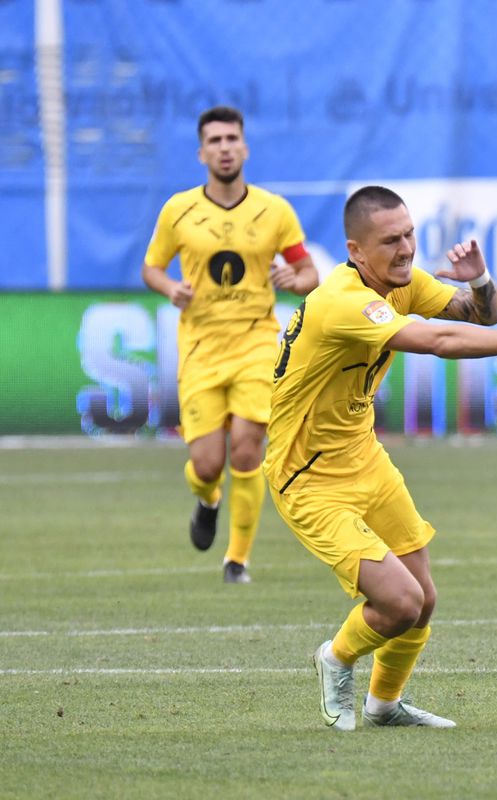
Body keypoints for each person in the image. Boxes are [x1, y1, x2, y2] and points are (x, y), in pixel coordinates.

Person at [264, 186, 497, 732]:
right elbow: (439, 341)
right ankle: (335, 657)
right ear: (356, 251)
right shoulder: (342, 299)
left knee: (423, 599)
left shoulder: (399, 281)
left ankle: (384, 705)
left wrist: (478, 279)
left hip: (364, 457)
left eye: (409, 234)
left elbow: (481, 315)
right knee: (401, 602)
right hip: (307, 477)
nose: (406, 248)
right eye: (391, 240)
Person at [142, 105, 319, 583]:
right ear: (202, 152)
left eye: (231, 139)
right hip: (200, 348)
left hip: (257, 343)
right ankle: (207, 498)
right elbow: (152, 267)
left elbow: (310, 273)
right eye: (215, 141)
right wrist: (169, 288)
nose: (224, 148)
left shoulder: (274, 210)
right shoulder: (179, 210)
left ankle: (236, 560)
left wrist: (293, 277)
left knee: (245, 451)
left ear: (245, 147)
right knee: (206, 463)